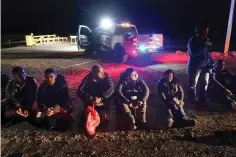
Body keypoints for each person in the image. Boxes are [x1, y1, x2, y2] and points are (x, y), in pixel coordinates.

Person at [187, 25, 213, 105]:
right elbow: (193, 53)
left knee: (205, 83)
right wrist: (203, 45)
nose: (206, 33)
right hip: (195, 66)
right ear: (199, 31)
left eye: (207, 31)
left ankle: (203, 99)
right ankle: (193, 100)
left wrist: (210, 63)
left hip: (205, 67)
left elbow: (207, 54)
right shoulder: (193, 40)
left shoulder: (205, 41)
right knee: (193, 85)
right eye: (205, 31)